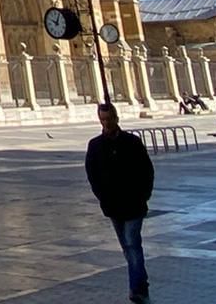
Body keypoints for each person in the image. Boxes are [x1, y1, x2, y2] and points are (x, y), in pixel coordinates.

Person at [85, 102, 154, 304]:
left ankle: (136, 290)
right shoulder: (95, 145)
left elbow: (146, 170)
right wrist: (102, 197)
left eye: (108, 119)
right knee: (127, 247)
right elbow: (92, 175)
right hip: (113, 206)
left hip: (134, 204)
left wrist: (144, 195)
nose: (106, 123)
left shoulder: (132, 142)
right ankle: (141, 282)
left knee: (132, 244)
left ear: (116, 118)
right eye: (102, 119)